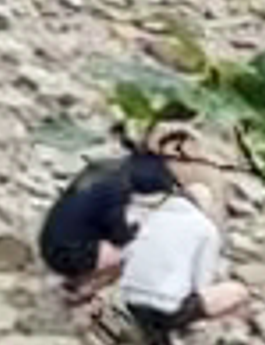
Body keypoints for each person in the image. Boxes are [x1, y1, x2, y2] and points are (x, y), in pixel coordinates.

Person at [109, 158, 248, 345]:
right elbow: (201, 284)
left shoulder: (149, 215)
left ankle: (159, 335)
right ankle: (206, 341)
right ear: (204, 207)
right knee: (237, 291)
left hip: (131, 302)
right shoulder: (205, 229)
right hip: (165, 310)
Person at [37, 127, 192, 310]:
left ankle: (75, 278)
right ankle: (80, 292)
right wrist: (137, 233)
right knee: (133, 255)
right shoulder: (118, 190)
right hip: (65, 254)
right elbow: (120, 236)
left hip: (49, 240)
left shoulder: (103, 167)